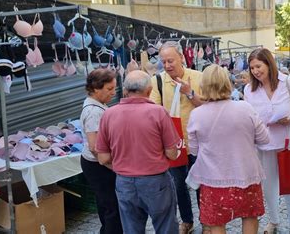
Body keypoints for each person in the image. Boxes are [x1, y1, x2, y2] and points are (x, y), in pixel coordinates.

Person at [186, 64, 269, 234]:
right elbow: (264, 139)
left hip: (213, 178)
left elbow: (193, 150)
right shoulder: (245, 108)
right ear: (227, 83)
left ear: (203, 85)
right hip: (246, 175)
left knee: (217, 222)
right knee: (250, 216)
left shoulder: (197, 114)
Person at [96, 71, 180, 234]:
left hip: (124, 182)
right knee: (166, 226)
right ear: (149, 91)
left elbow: (103, 157)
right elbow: (172, 153)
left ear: (125, 90)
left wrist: (124, 166)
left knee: (132, 229)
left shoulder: (108, 115)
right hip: (156, 181)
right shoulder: (159, 112)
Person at [244, 48, 290, 234]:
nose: (255, 71)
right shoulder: (249, 89)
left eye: (258, 66)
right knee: (268, 187)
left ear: (269, 64)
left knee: (289, 187)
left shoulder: (289, 82)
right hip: (263, 146)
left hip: (287, 144)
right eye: (252, 67)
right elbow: (249, 117)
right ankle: (273, 220)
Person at [149, 41, 205, 234]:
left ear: (181, 57)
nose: (167, 65)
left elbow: (208, 108)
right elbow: (154, 112)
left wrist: (189, 92)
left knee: (201, 185)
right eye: (163, 62)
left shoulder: (198, 77)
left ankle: (206, 221)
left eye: (170, 60)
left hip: (199, 143)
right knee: (178, 186)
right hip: (173, 145)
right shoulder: (157, 81)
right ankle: (187, 221)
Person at [79, 69, 122, 234]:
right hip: (98, 165)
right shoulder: (93, 112)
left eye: (114, 88)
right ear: (96, 89)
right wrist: (112, 166)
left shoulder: (98, 105)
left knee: (106, 205)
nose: (113, 92)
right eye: (109, 89)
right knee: (112, 207)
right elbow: (94, 146)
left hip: (99, 163)